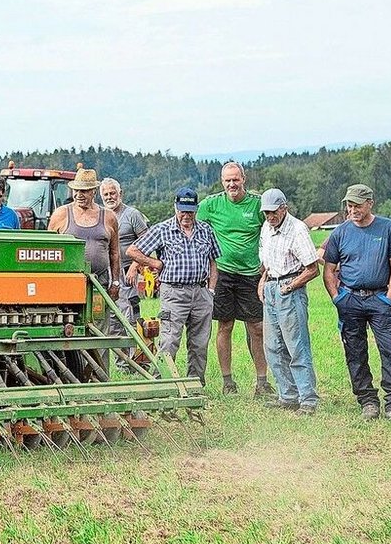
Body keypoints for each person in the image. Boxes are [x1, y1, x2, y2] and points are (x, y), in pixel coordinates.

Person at [321, 184, 391, 420]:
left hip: (379, 298)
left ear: (370, 203)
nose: (352, 210)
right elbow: (329, 270)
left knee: (390, 349)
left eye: (357, 205)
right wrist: (337, 297)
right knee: (355, 351)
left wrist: (389, 297)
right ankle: (367, 401)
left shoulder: (389, 228)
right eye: (349, 205)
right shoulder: (340, 232)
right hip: (350, 300)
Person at [126, 188, 221, 385]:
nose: (186, 215)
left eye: (190, 211)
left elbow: (213, 262)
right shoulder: (163, 229)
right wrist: (154, 263)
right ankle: (162, 384)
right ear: (175, 208)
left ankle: (195, 384)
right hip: (174, 293)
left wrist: (211, 291)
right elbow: (133, 250)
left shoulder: (206, 230)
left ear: (196, 209)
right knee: (169, 341)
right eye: (182, 211)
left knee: (199, 343)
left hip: (201, 292)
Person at [198, 162, 268, 396]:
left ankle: (262, 380)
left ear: (244, 179)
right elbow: (190, 224)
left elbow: (272, 230)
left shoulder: (257, 204)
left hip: (251, 274)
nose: (231, 184)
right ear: (222, 182)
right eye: (227, 180)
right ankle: (228, 381)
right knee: (225, 325)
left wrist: (266, 262)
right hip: (223, 273)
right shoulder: (211, 205)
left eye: (235, 179)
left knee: (257, 327)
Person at [256, 189, 320, 414]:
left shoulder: (297, 229)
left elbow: (313, 269)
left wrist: (291, 286)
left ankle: (308, 399)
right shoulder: (266, 227)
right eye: (266, 213)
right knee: (272, 346)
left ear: (284, 208)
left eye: (274, 212)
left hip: (290, 287)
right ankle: (288, 395)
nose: (270, 217)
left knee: (296, 345)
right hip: (272, 286)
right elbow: (265, 260)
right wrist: (263, 281)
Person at [49, 167, 119, 298]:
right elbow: (49, 249)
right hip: (68, 282)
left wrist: (115, 282)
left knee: (99, 318)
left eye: (84, 191)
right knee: (70, 318)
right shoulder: (61, 214)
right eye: (76, 190)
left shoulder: (109, 217)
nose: (79, 195)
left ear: (94, 192)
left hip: (99, 282)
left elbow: (114, 253)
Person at [102, 177, 149, 342]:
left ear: (120, 193)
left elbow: (147, 242)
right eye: (106, 194)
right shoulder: (102, 216)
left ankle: (136, 358)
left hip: (127, 272)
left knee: (130, 314)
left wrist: (135, 266)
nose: (109, 197)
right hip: (107, 272)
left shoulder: (132, 215)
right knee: (112, 317)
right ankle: (121, 362)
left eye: (112, 193)